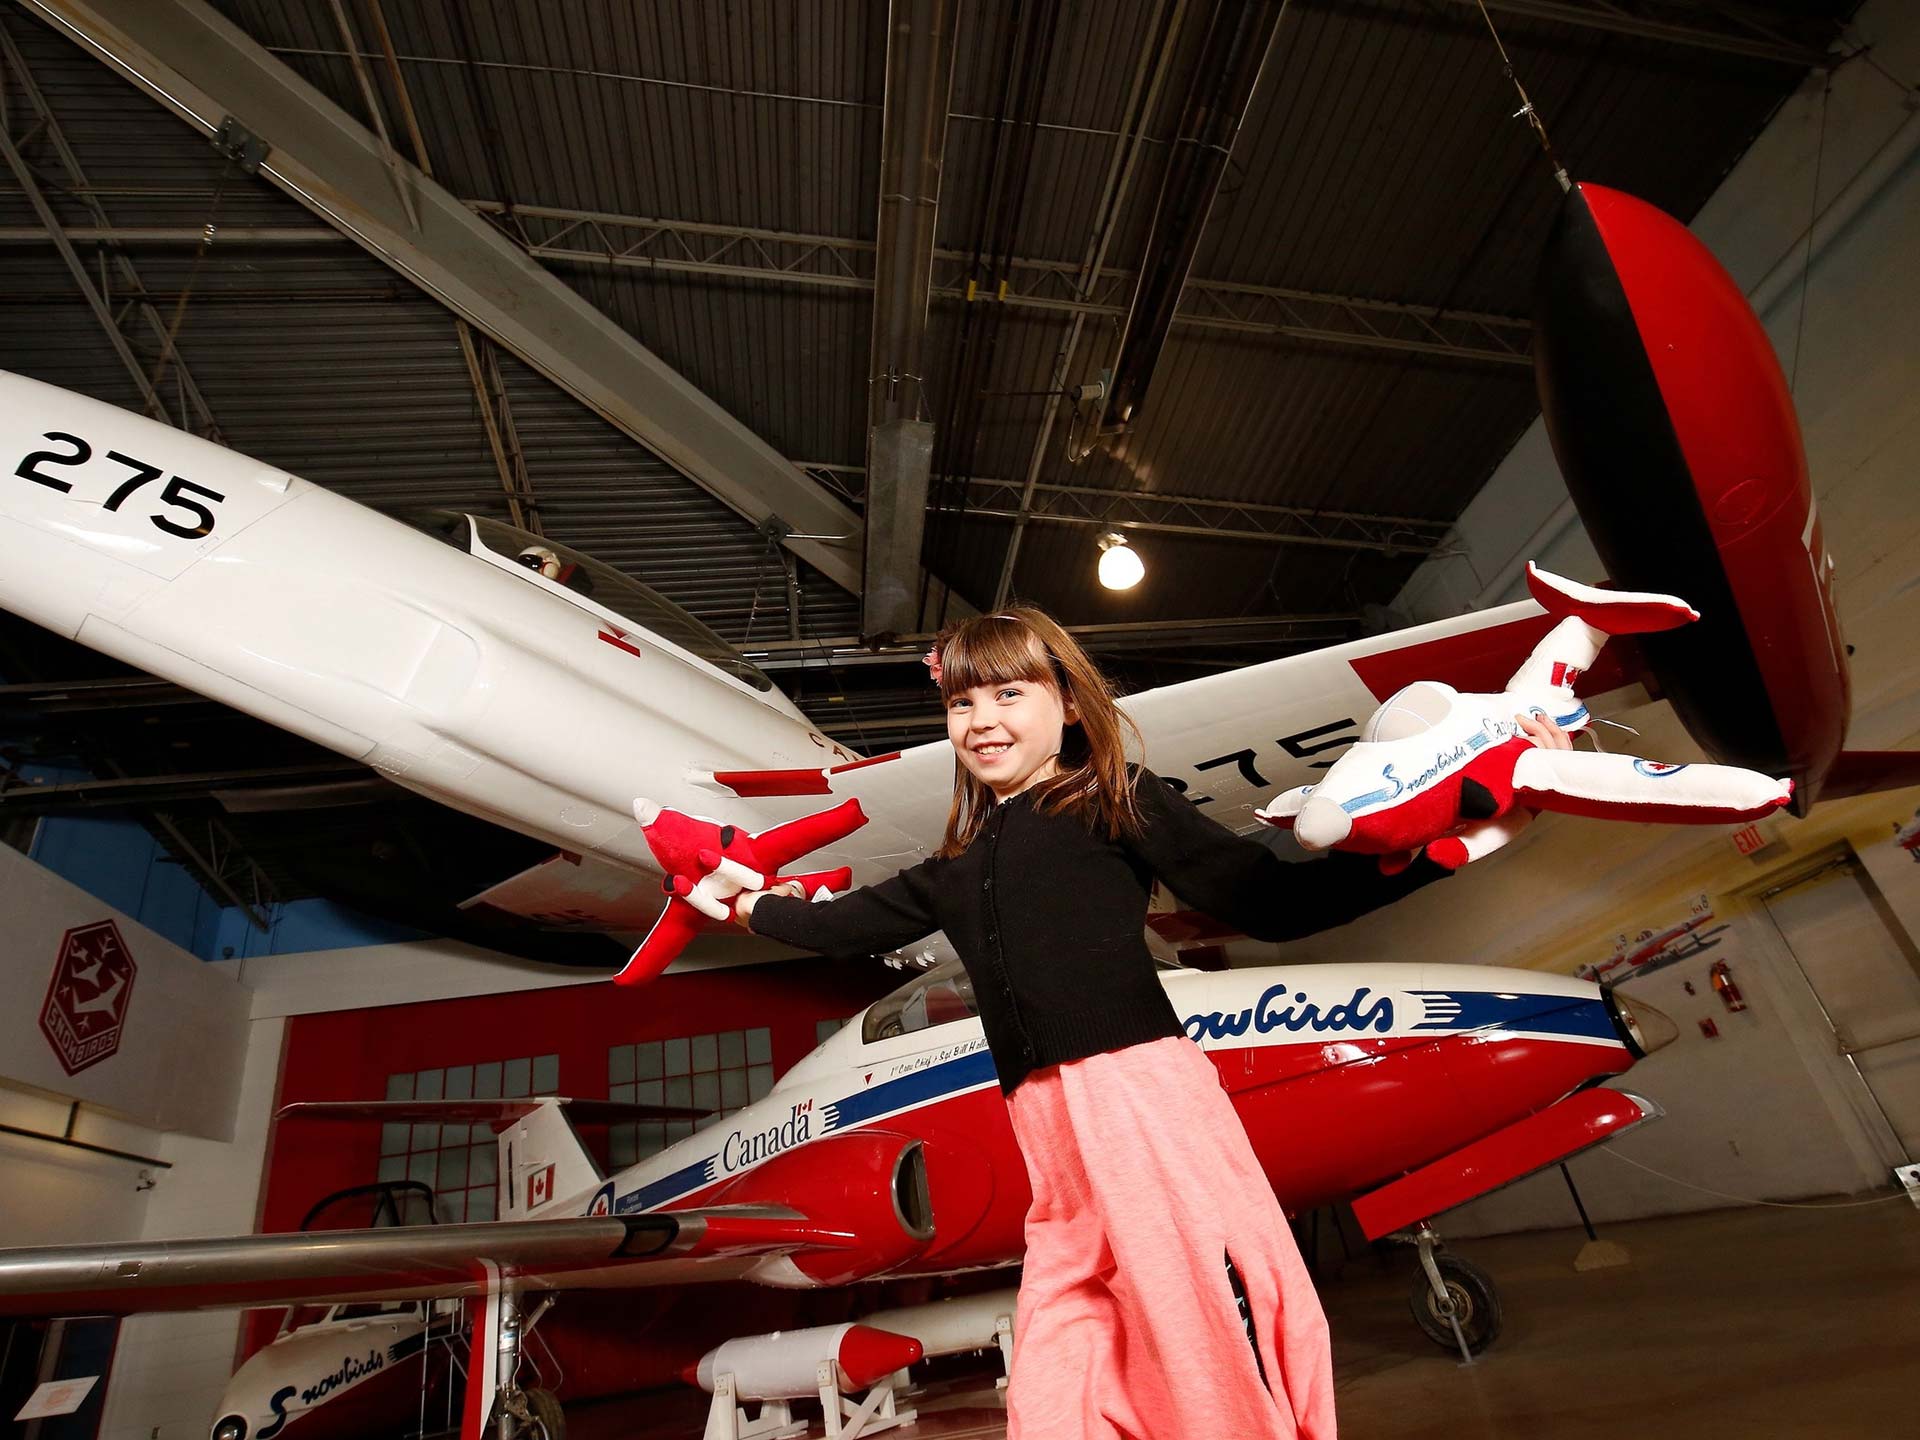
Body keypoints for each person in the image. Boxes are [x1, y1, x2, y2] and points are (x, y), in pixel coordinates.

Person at [732, 607, 1568, 1440]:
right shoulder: (955, 865)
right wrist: (741, 901)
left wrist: (1456, 839)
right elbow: (840, 925)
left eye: (1008, 695)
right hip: (1043, 1116)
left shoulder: (1116, 798)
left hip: (1137, 1086)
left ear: (1065, 704)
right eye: (961, 704)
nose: (982, 721)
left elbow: (1268, 901)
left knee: (1182, 1308)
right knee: (1065, 1304)